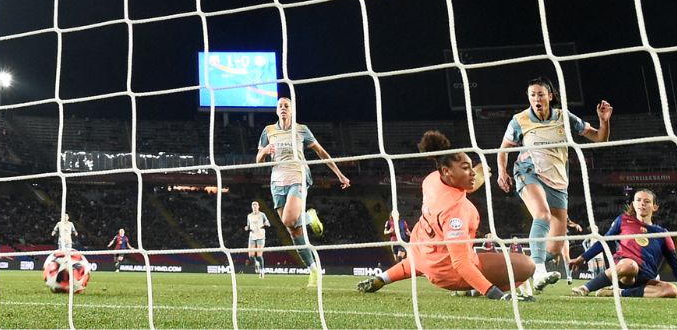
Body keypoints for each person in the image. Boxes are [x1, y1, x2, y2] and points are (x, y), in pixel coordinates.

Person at [357, 131, 535, 301]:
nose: (472, 172)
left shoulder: (432, 180)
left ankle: (382, 278)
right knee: (527, 266)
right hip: (450, 273)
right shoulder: (454, 212)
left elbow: (416, 262)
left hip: (422, 253)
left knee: (429, 254)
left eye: (471, 167)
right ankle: (475, 288)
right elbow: (460, 264)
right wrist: (494, 294)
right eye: (466, 168)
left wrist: (384, 278)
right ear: (447, 171)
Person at [497, 76, 612, 292]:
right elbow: (503, 149)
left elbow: (599, 139)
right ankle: (539, 271)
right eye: (532, 95)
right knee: (542, 215)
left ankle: (513, 269)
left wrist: (604, 121)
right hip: (528, 172)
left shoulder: (564, 118)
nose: (536, 98)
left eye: (540, 94)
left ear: (550, 96)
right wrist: (502, 172)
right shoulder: (519, 120)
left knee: (556, 246)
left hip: (558, 182)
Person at [256, 97, 351, 287]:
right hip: (277, 181)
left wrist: (339, 174)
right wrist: (265, 150)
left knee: (289, 220)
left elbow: (321, 152)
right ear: (276, 111)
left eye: (286, 106)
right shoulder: (268, 131)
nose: (283, 108)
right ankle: (314, 270)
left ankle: (308, 217)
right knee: (293, 230)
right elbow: (258, 160)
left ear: (292, 110)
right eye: (280, 106)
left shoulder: (302, 130)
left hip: (298, 175)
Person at [569, 189, 677, 299]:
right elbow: (603, 242)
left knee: (671, 290)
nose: (642, 204)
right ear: (633, 203)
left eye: (647, 201)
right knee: (630, 265)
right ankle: (585, 288)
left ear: (655, 207)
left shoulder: (662, 234)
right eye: (638, 200)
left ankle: (619, 293)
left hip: (645, 278)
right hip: (625, 273)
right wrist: (582, 259)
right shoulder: (623, 220)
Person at [245, 201, 271, 278]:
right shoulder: (249, 216)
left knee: (259, 255)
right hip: (252, 236)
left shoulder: (262, 214)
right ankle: (256, 263)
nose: (254, 206)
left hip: (260, 235)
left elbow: (268, 223)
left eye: (256, 205)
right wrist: (247, 228)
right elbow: (248, 226)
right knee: (250, 256)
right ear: (251, 207)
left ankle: (262, 272)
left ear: (258, 206)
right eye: (253, 205)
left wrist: (267, 224)